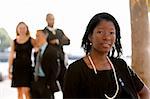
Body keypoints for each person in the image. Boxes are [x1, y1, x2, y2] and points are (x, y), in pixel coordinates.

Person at [64, 12, 150, 99]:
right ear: (90, 36)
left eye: (111, 33)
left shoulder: (121, 65)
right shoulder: (75, 70)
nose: (106, 37)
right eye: (100, 32)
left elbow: (145, 93)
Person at [8, 22, 36, 99]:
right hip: (17, 67)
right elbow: (11, 55)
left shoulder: (31, 40)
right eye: (20, 28)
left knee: (26, 91)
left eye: (24, 28)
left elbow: (38, 50)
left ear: (27, 29)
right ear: (17, 29)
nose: (22, 30)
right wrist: (9, 69)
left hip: (27, 68)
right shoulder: (14, 41)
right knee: (19, 92)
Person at [44, 13, 70, 91]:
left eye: (53, 19)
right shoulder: (44, 32)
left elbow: (68, 41)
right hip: (49, 62)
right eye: (50, 19)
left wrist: (58, 41)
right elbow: (41, 44)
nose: (52, 21)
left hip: (61, 61)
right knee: (50, 86)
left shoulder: (59, 31)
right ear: (46, 20)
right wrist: (49, 42)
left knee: (65, 84)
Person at [31, 30, 60, 99]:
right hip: (36, 81)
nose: (36, 38)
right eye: (36, 36)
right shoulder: (37, 51)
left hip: (47, 83)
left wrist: (50, 83)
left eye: (38, 36)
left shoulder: (52, 51)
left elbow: (56, 69)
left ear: (45, 36)